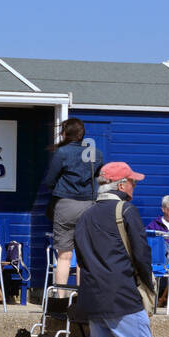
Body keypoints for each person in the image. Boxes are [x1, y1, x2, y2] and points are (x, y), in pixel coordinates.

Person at [72, 161, 162, 337]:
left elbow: (81, 258)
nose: (134, 186)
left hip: (92, 295)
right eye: (132, 182)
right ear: (121, 185)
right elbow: (141, 253)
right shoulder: (126, 210)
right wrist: (148, 285)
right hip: (121, 294)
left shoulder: (84, 216)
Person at [37, 117, 102, 290]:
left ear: (65, 133)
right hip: (89, 206)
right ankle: (82, 301)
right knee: (83, 257)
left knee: (64, 257)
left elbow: (50, 180)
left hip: (65, 206)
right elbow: (99, 178)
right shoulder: (96, 154)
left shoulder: (62, 152)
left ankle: (60, 302)